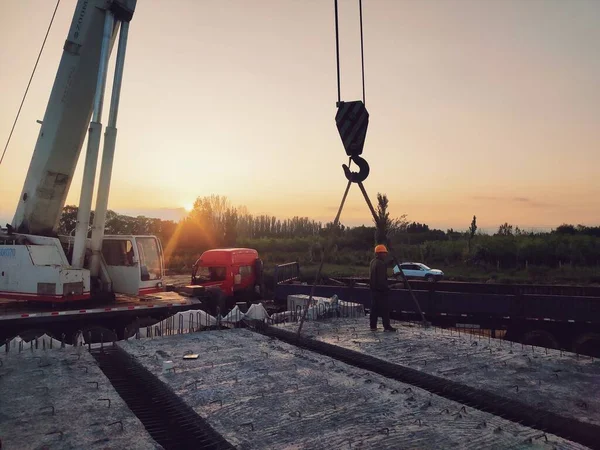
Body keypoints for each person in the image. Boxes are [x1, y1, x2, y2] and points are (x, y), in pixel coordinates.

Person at [369, 244, 396, 332]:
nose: (385, 254)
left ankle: (373, 326)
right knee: (385, 309)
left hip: (373, 289)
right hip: (381, 290)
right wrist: (386, 288)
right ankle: (387, 326)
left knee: (374, 309)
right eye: (384, 253)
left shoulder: (373, 262)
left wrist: (390, 262)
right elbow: (381, 279)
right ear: (379, 253)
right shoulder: (381, 264)